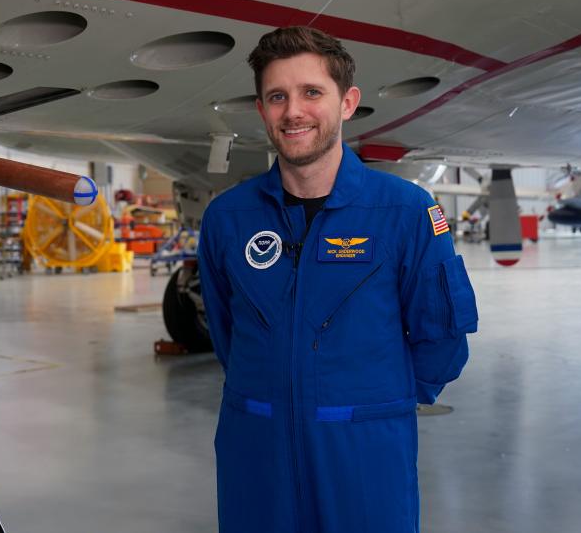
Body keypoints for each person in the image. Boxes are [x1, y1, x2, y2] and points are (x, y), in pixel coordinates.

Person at [197, 26, 478, 533]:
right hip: (256, 450)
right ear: (261, 109)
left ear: (347, 103)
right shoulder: (228, 218)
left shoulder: (406, 211)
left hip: (365, 454)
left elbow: (442, 341)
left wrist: (372, 403)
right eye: (277, 96)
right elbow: (226, 334)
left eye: (311, 93)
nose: (293, 111)